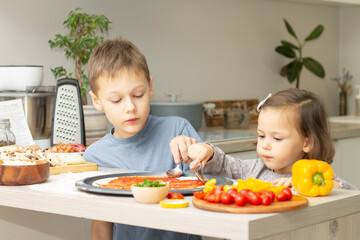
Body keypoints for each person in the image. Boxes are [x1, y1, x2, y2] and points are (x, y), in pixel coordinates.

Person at [84, 37, 202, 240]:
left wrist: (198, 154)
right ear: (97, 101)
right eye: (116, 100)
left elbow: (213, 189)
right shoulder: (95, 156)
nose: (130, 107)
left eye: (138, 94)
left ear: (150, 87)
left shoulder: (178, 129)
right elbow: (101, 225)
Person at [184, 88, 357, 190]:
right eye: (261, 135)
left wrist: (305, 185)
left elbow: (347, 191)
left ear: (307, 142)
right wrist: (208, 151)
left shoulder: (317, 177)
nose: (265, 145)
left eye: (277, 138)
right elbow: (223, 165)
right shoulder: (252, 169)